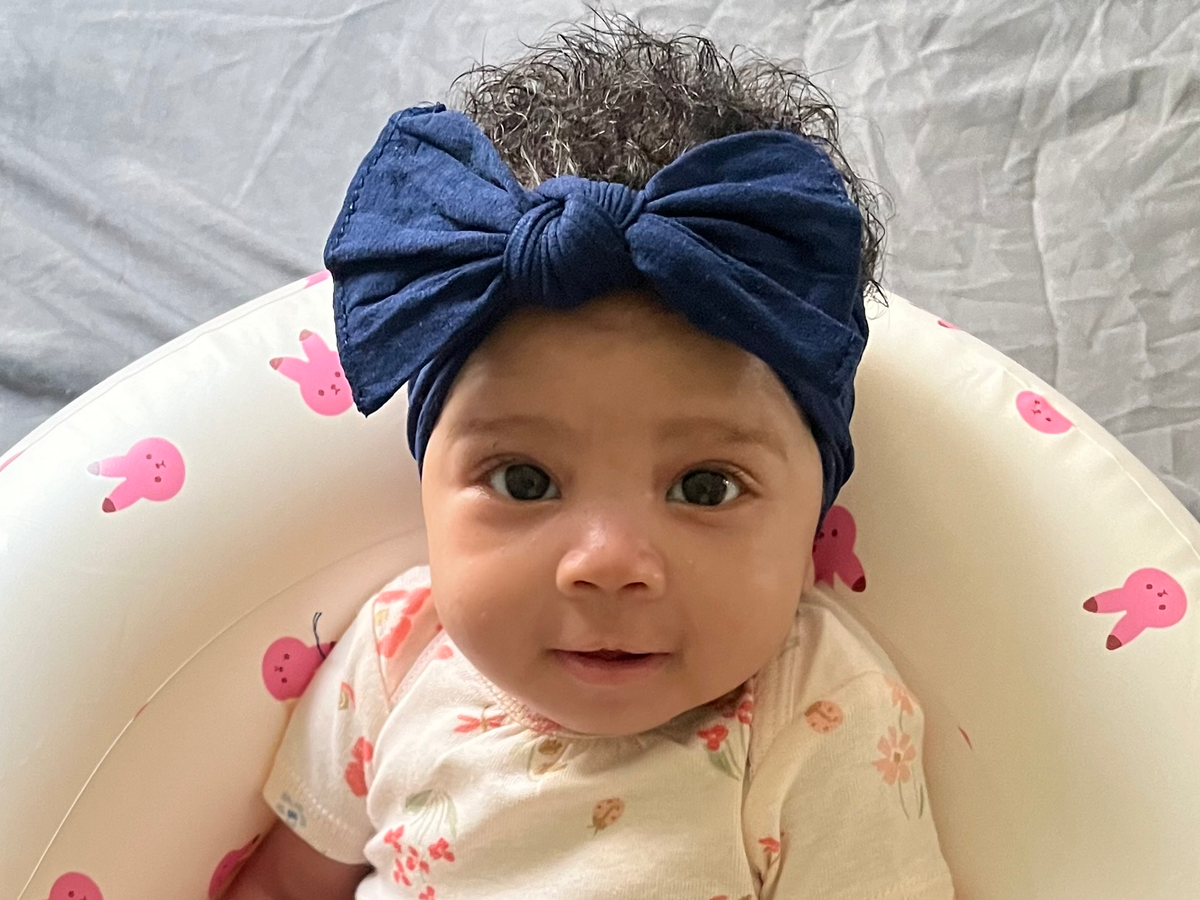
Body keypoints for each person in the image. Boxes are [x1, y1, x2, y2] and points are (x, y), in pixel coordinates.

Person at [225, 12, 954, 899]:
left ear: (815, 522)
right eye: (524, 481)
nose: (607, 563)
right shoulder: (396, 650)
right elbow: (286, 885)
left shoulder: (820, 709)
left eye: (706, 487)